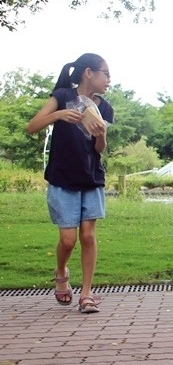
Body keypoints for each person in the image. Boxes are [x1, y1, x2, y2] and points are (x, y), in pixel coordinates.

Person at [26, 53, 114, 314]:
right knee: (67, 240)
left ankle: (86, 294)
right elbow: (31, 127)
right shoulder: (62, 96)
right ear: (89, 73)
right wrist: (60, 115)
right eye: (106, 73)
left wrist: (101, 137)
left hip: (91, 178)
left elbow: (99, 149)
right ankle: (61, 271)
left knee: (87, 236)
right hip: (62, 177)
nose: (109, 79)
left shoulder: (104, 107)